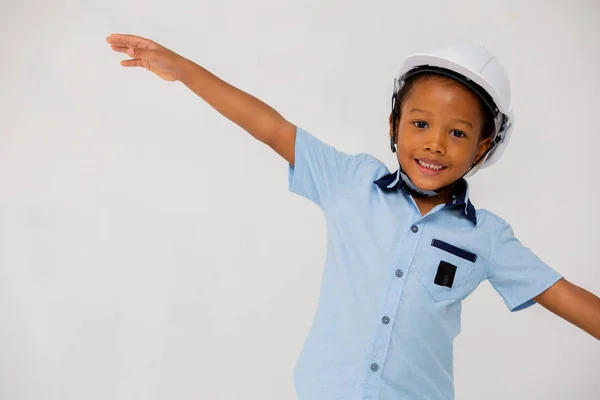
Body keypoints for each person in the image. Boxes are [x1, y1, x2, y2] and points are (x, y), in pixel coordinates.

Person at [105, 33, 600, 400]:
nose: (433, 142)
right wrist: (184, 70)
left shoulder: (486, 237)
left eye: (456, 133)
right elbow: (270, 126)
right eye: (421, 124)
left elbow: (565, 297)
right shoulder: (350, 182)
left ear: (482, 147)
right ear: (394, 125)